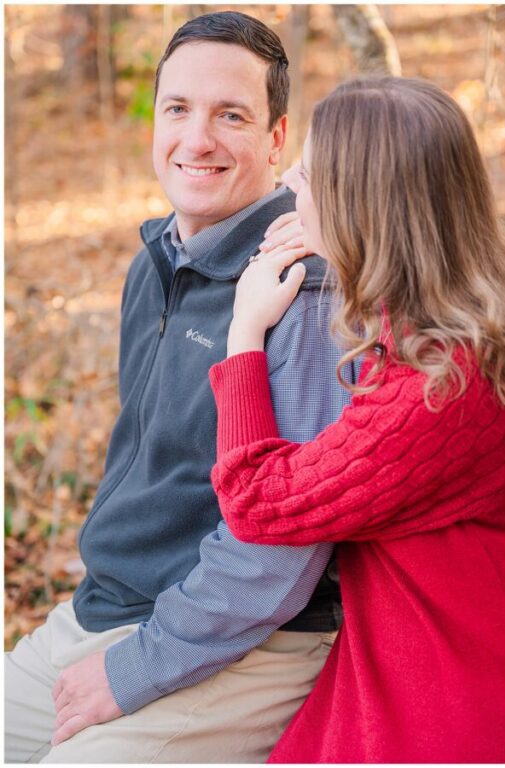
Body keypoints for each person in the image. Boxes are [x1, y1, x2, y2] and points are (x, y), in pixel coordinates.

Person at [4, 12, 350, 763]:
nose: (197, 140)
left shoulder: (300, 286)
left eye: (232, 115)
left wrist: (136, 668)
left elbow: (282, 547)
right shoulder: (154, 259)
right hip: (109, 607)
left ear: (276, 137)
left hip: (247, 638)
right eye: (178, 110)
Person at [207, 76, 505, 763]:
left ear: (363, 207)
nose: (287, 180)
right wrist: (339, 247)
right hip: (401, 667)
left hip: (433, 706)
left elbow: (258, 501)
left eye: (310, 176)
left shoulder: (440, 387)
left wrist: (245, 332)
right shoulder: (456, 323)